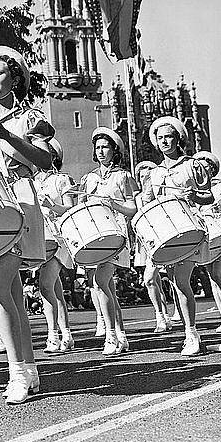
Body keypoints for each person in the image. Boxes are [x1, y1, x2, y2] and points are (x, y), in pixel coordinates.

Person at [0, 46, 53, 404]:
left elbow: (46, 160)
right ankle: (30, 369)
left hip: (20, 200)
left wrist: (5, 135)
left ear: (15, 79)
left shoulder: (29, 118)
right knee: (12, 293)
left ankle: (16, 371)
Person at [141, 116, 214, 356]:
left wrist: (193, 196)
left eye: (168, 137)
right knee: (175, 282)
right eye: (160, 138)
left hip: (190, 228)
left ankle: (192, 333)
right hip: (167, 233)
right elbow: (150, 204)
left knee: (181, 281)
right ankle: (189, 333)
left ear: (178, 138)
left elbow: (209, 197)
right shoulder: (154, 173)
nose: (164, 141)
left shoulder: (192, 165)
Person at [75, 127, 138, 356]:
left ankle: (110, 336)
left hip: (117, 233)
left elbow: (133, 209)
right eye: (98, 147)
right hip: (96, 234)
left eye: (106, 147)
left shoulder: (123, 176)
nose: (101, 151)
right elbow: (81, 206)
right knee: (107, 286)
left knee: (101, 282)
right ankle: (121, 335)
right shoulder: (88, 178)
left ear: (115, 150)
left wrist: (115, 204)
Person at [35, 138, 76, 352]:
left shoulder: (61, 180)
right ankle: (66, 334)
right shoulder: (31, 182)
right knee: (54, 289)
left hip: (58, 238)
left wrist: (52, 206)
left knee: (45, 286)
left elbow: (70, 208)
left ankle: (52, 334)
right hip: (40, 239)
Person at [193, 151, 221, 332]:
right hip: (206, 237)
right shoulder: (194, 188)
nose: (202, 171)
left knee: (219, 275)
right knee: (213, 278)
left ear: (212, 169)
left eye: (206, 167)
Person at [133, 161, 173, 333]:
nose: (145, 180)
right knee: (153, 281)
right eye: (141, 176)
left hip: (163, 240)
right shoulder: (137, 198)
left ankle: (167, 316)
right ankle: (162, 316)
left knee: (153, 279)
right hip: (145, 243)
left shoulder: (161, 195)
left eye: (148, 176)